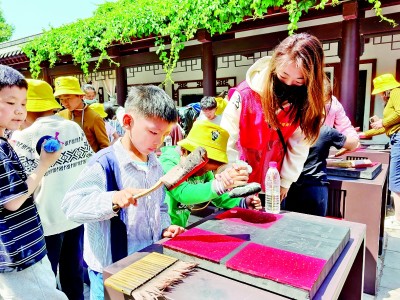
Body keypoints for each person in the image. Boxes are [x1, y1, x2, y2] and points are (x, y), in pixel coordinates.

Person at [61, 85, 185, 300]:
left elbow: (161, 205)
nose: (158, 141)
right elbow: (71, 206)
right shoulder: (104, 163)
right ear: (127, 122)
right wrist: (112, 199)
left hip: (146, 263)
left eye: (164, 134)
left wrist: (164, 226)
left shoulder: (155, 164)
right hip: (110, 271)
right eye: (153, 132)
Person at [10, 79, 94, 300]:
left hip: (45, 222)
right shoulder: (72, 127)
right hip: (75, 216)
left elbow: (21, 187)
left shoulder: (23, 137)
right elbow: (89, 166)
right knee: (73, 272)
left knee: (46, 281)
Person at [220, 33, 326, 200]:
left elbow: (299, 145)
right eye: (283, 76)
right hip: (239, 182)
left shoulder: (303, 103)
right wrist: (228, 172)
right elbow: (226, 137)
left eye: (299, 81)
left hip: (272, 184)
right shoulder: (245, 95)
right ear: (275, 66)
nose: (289, 85)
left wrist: (285, 181)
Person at [0, 65, 67, 299]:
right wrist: (44, 164)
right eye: (10, 103)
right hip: (21, 253)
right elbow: (14, 201)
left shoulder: (5, 141)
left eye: (23, 103)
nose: (19, 111)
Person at [159, 120, 262, 227]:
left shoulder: (204, 170)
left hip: (179, 228)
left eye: (208, 170)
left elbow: (217, 196)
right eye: (202, 169)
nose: (203, 173)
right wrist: (221, 184)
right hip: (162, 230)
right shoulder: (168, 162)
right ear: (185, 150)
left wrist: (243, 203)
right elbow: (183, 193)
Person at [283, 125, 359, 216]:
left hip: (289, 185)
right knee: (316, 226)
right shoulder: (326, 131)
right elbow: (353, 144)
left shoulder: (290, 128)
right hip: (315, 186)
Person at [367, 74, 400, 224]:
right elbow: (385, 126)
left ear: (386, 89)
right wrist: (365, 133)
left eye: (380, 91)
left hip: (399, 138)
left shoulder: (396, 92)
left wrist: (383, 122)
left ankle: (398, 219)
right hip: (395, 137)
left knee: (395, 181)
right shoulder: (393, 96)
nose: (379, 95)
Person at [55, 76, 109, 152]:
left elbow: (105, 148)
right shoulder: (59, 116)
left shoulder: (94, 118)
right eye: (61, 99)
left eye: (68, 98)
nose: (65, 103)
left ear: (80, 96)